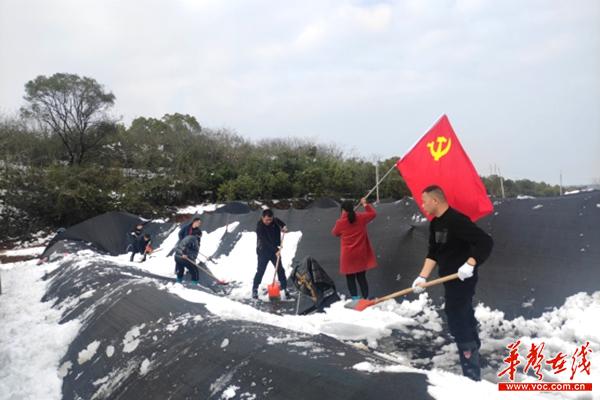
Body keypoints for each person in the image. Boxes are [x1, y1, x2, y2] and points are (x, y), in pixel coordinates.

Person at [411, 185, 493, 381]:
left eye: (424, 201)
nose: (422, 205)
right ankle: (473, 346)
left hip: (463, 277)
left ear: (435, 201)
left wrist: (470, 263)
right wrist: (422, 277)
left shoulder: (457, 220)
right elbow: (433, 252)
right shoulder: (435, 224)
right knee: (462, 312)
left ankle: (470, 368)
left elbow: (485, 241)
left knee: (456, 315)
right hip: (448, 276)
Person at [331, 197, 377, 300]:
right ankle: (365, 298)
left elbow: (334, 233)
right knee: (361, 277)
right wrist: (365, 204)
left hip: (348, 256)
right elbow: (373, 214)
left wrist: (343, 217)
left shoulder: (340, 222)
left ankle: (355, 299)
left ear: (343, 210)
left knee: (350, 278)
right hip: (361, 253)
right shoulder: (361, 218)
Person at [253, 209, 289, 299]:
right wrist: (275, 250)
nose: (268, 222)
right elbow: (265, 242)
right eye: (266, 220)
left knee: (280, 269)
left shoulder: (274, 220)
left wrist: (284, 227)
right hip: (263, 251)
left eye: (270, 219)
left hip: (275, 251)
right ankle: (254, 289)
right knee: (260, 271)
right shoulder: (259, 227)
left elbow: (280, 222)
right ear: (262, 218)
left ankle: (284, 288)